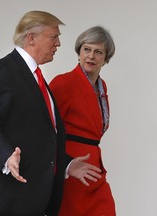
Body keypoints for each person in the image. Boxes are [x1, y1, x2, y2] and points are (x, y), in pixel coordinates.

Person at [0, 11, 102, 216]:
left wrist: (67, 164)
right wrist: (6, 157)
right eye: (53, 37)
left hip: (35, 197)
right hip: (13, 196)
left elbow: (42, 136)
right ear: (31, 38)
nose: (58, 44)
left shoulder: (37, 78)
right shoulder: (3, 70)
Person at [49, 26, 116, 216]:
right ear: (79, 52)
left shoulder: (101, 86)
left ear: (106, 58)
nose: (91, 56)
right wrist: (65, 164)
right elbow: (47, 130)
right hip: (72, 170)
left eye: (98, 52)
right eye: (87, 49)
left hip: (95, 170)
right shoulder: (64, 82)